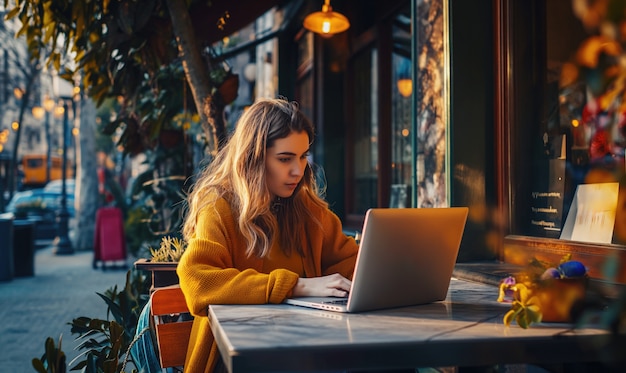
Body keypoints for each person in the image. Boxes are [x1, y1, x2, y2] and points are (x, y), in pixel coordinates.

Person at [177, 97, 359, 372]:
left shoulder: (306, 209)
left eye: (302, 156)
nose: (298, 170)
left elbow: (351, 263)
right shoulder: (220, 206)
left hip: (304, 350)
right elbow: (197, 280)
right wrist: (295, 286)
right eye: (285, 158)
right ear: (253, 158)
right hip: (235, 360)